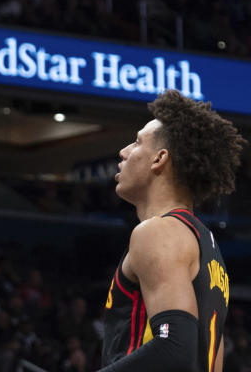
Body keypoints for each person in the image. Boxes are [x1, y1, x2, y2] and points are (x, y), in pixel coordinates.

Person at [98, 90, 244, 372]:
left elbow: (175, 347)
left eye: (137, 142)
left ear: (159, 158)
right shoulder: (208, 251)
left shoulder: (159, 232)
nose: (124, 152)